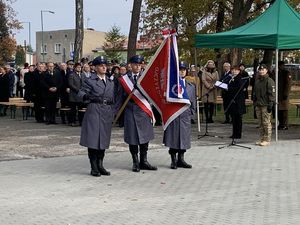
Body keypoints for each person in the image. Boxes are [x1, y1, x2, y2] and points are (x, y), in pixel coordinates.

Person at [77, 56, 115, 177]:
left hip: (106, 112)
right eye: (101, 65)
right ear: (95, 68)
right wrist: (88, 97)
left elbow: (114, 98)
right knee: (93, 140)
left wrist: (113, 111)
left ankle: (100, 165)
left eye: (105, 65)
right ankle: (94, 167)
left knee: (103, 139)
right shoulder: (90, 80)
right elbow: (80, 93)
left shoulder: (110, 81)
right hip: (94, 110)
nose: (104, 67)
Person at [119, 55, 157, 172]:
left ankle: (144, 161)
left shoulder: (146, 78)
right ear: (130, 65)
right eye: (135, 64)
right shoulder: (124, 79)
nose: (138, 66)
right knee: (133, 137)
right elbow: (120, 96)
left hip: (143, 110)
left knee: (145, 137)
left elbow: (152, 94)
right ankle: (135, 162)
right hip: (130, 110)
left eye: (140, 64)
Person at [163, 61, 196, 169]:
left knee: (184, 139)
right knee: (173, 138)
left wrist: (192, 113)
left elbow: (193, 101)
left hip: (185, 116)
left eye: (183, 70)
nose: (182, 72)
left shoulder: (191, 86)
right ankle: (173, 160)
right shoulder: (171, 85)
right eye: (180, 70)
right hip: (174, 115)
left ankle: (181, 159)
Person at [253, 64, 275, 146]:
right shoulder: (258, 81)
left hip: (266, 104)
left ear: (266, 71)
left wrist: (271, 103)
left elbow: (272, 93)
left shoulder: (269, 81)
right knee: (260, 123)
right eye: (260, 70)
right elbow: (255, 92)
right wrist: (254, 101)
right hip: (259, 104)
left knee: (266, 122)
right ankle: (262, 138)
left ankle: (267, 139)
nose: (261, 71)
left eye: (263, 70)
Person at [227, 65, 246, 139]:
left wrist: (228, 88)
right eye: (232, 70)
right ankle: (234, 133)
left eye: (235, 70)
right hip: (233, 101)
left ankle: (238, 134)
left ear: (238, 71)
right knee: (234, 119)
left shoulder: (239, 78)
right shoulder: (231, 78)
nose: (234, 71)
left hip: (238, 102)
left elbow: (238, 89)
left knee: (238, 119)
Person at [278, 61, 292, 130]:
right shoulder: (278, 73)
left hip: (284, 95)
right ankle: (281, 124)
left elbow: (288, 84)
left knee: (284, 111)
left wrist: (286, 94)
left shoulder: (286, 73)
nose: (279, 67)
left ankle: (285, 124)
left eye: (280, 65)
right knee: (279, 111)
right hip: (279, 95)